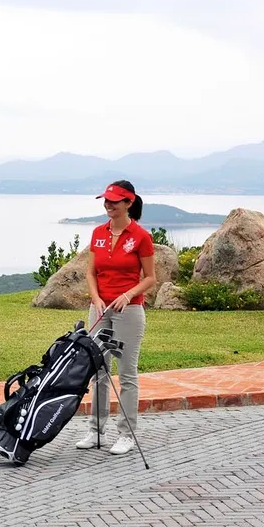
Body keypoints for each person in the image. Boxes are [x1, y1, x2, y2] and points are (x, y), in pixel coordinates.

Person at [75, 180, 156, 456]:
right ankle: (95, 430)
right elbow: (91, 273)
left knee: (127, 373)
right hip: (99, 309)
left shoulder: (141, 237)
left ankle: (126, 434)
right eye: (106, 200)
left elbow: (150, 278)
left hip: (128, 311)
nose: (108, 204)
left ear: (128, 203)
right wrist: (95, 299)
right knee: (98, 371)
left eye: (114, 201)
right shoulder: (98, 232)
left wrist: (127, 295)